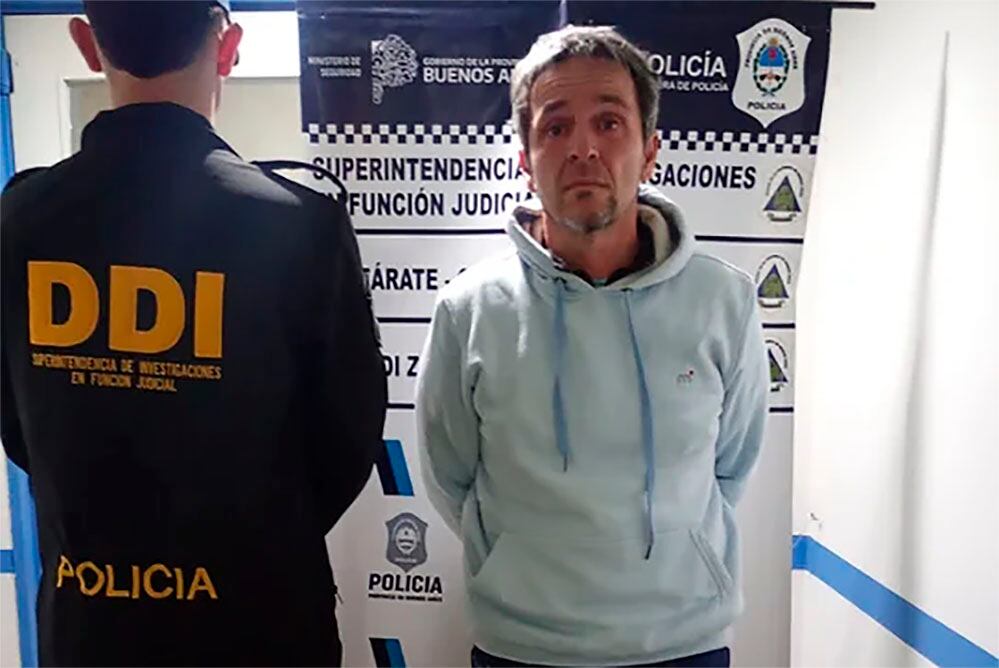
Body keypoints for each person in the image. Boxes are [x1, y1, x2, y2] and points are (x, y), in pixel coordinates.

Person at [0, 2, 385, 665]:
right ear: (228, 46)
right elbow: (348, 435)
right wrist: (251, 543)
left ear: (87, 44)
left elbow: (18, 424)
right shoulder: (298, 223)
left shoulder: (20, 220)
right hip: (259, 620)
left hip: (93, 624)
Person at [416, 25, 768, 667]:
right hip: (522, 648)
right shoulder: (470, 310)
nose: (583, 148)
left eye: (609, 123)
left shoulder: (725, 301)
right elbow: (450, 475)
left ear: (650, 151)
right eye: (555, 128)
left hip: (682, 646)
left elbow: (732, 464)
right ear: (525, 159)